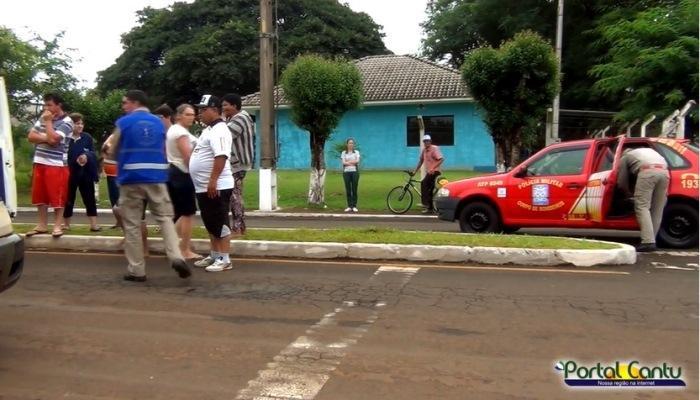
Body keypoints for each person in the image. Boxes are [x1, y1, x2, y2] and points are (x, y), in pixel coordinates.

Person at [112, 90, 191, 282]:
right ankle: (176, 257)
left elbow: (114, 148)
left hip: (131, 177)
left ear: (134, 103)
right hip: (157, 176)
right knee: (165, 218)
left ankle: (137, 270)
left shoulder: (123, 122)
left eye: (125, 103)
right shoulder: (159, 122)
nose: (123, 107)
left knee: (132, 224)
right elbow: (163, 147)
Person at [191, 95, 235, 272]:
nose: (200, 113)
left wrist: (213, 180)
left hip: (217, 185)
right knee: (210, 222)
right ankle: (215, 254)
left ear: (215, 110)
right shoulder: (209, 130)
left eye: (203, 109)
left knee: (220, 222)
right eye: (199, 109)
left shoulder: (220, 130)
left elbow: (221, 156)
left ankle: (225, 259)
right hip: (203, 185)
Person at [26, 93, 73, 238]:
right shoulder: (43, 117)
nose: (46, 108)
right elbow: (31, 137)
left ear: (59, 105)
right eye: (45, 105)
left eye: (49, 105)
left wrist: (47, 123)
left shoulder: (67, 122)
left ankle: (57, 226)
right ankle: (42, 225)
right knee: (40, 195)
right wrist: (47, 137)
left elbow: (54, 140)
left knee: (57, 197)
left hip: (57, 164)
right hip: (40, 161)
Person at [160, 104, 200, 260]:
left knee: (181, 213)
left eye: (193, 114)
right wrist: (198, 174)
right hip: (182, 173)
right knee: (188, 213)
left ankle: (171, 245)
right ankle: (184, 249)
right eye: (188, 114)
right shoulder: (180, 132)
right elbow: (188, 156)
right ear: (178, 116)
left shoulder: (174, 130)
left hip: (173, 172)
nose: (192, 117)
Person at [617, 147, 670, 252]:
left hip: (647, 172)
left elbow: (621, 182)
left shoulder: (625, 157)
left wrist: (628, 193)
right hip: (664, 173)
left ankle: (648, 242)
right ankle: (652, 240)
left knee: (642, 206)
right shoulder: (647, 152)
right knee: (657, 209)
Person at [222, 93, 255, 235]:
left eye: (225, 105)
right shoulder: (239, 117)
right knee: (235, 195)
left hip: (237, 163)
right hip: (238, 163)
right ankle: (240, 227)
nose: (223, 108)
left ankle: (238, 227)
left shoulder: (239, 119)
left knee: (235, 196)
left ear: (234, 105)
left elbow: (223, 135)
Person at [63, 113, 100, 232]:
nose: (80, 126)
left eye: (81, 123)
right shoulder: (65, 138)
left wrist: (86, 156)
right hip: (69, 173)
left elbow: (93, 153)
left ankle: (94, 225)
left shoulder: (87, 137)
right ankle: (66, 224)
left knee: (89, 198)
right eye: (77, 123)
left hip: (85, 172)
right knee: (68, 198)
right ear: (70, 124)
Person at [413, 134, 444, 214]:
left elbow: (441, 159)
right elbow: (421, 161)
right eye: (425, 141)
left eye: (427, 141)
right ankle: (430, 209)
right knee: (429, 190)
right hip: (430, 172)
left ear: (430, 141)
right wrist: (415, 171)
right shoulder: (424, 150)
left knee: (424, 182)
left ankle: (425, 203)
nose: (426, 142)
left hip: (435, 171)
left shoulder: (434, 148)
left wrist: (432, 168)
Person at [340, 137, 360, 212]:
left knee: (354, 189)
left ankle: (354, 206)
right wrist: (352, 162)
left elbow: (357, 161)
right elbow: (343, 162)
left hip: (354, 172)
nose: (351, 144)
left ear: (353, 144)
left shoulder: (356, 152)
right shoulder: (343, 153)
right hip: (346, 173)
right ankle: (349, 206)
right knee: (348, 189)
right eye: (349, 143)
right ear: (347, 144)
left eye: (352, 143)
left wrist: (348, 162)